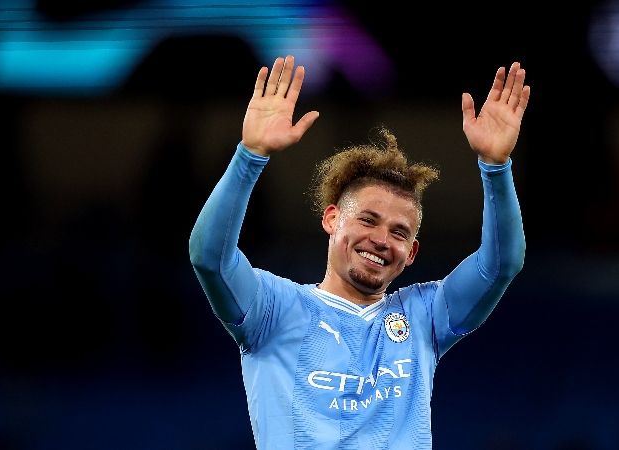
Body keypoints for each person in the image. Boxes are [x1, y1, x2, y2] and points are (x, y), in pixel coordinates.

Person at [189, 54, 530, 449]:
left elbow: (502, 263)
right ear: (332, 219)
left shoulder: (424, 317)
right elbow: (209, 258)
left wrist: (495, 165)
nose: (382, 239)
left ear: (412, 252)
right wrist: (250, 155)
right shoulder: (273, 310)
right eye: (367, 220)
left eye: (399, 232)